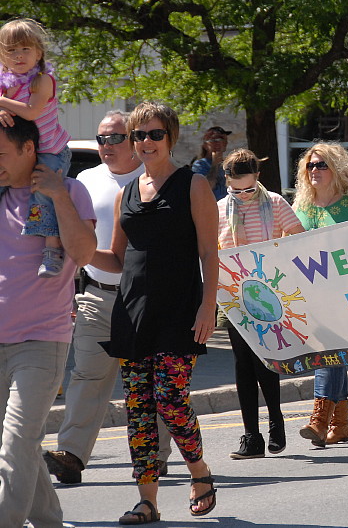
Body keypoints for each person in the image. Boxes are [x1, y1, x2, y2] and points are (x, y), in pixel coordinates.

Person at [91, 101, 219, 523]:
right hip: (132, 311)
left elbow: (208, 252)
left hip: (180, 309)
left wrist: (208, 306)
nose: (145, 142)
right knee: (139, 408)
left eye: (154, 134)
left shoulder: (192, 185)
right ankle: (148, 501)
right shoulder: (125, 192)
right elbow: (115, 257)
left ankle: (199, 471)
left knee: (169, 398)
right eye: (138, 135)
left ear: (171, 137)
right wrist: (78, 251)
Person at [44, 110, 175, 486]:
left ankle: (158, 455)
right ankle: (71, 455)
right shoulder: (85, 180)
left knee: (150, 381)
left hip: (148, 298)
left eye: (115, 138)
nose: (106, 146)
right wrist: (66, 290)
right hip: (97, 294)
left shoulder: (159, 179)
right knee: (86, 375)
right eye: (101, 139)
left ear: (135, 140)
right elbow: (74, 242)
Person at [0, 115, 96, 528]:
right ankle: (49, 523)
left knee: (16, 443)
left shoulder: (71, 190)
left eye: (1, 153)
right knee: (21, 448)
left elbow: (85, 253)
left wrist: (58, 196)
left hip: (41, 341)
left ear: (29, 150)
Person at [217, 149, 304, 458]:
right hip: (234, 297)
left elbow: (298, 238)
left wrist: (278, 253)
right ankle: (250, 435)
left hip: (268, 294)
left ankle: (275, 422)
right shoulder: (218, 210)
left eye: (249, 189)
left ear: (258, 178)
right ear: (226, 180)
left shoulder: (275, 204)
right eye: (236, 190)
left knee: (264, 360)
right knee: (242, 363)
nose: (243, 196)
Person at [292, 142, 348, 447]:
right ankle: (340, 424)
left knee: (326, 352)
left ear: (337, 169)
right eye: (310, 165)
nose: (314, 170)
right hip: (312, 296)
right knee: (333, 354)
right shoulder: (301, 207)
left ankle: (319, 420)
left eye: (322, 165)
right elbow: (285, 246)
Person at [0, 18, 72, 277]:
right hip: (20, 153)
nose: (19, 55)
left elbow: (31, 112)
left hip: (50, 150)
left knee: (43, 190)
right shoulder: (4, 82)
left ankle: (52, 249)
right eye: (11, 50)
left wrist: (1, 102)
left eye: (25, 49)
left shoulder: (42, 81)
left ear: (39, 53)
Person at [191, 125, 231, 200]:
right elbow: (205, 187)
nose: (217, 143)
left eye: (221, 139)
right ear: (205, 145)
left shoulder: (229, 165)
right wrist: (215, 164)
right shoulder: (200, 165)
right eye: (213, 140)